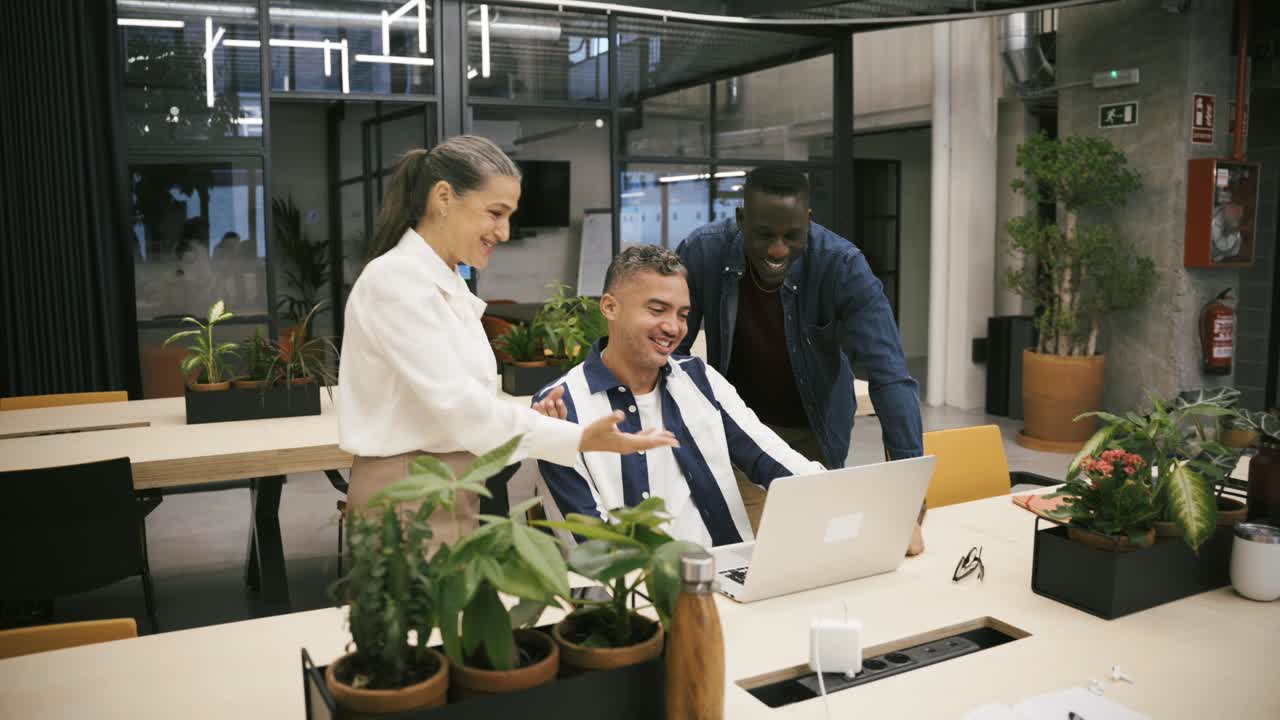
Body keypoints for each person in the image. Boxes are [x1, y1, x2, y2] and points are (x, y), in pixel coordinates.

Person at [337, 136, 676, 547]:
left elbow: (460, 402)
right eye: (496, 213)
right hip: (410, 491)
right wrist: (579, 437)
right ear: (443, 197)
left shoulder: (438, 282)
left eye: (510, 215)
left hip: (447, 482)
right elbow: (459, 409)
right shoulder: (397, 280)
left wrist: (536, 422)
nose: (504, 231)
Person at [674, 164, 926, 555]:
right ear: (742, 220)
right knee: (746, 547)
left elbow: (890, 376)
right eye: (764, 234)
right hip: (733, 431)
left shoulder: (841, 265)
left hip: (813, 430)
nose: (777, 250)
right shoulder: (704, 251)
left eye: (792, 236)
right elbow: (672, 356)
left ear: (808, 221)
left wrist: (906, 490)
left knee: (816, 551)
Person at [531, 245, 824, 548]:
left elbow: (772, 459)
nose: (673, 327)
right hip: (631, 588)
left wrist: (834, 494)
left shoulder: (699, 379)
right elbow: (586, 540)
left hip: (726, 576)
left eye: (683, 314)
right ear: (609, 307)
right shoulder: (561, 405)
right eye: (657, 310)